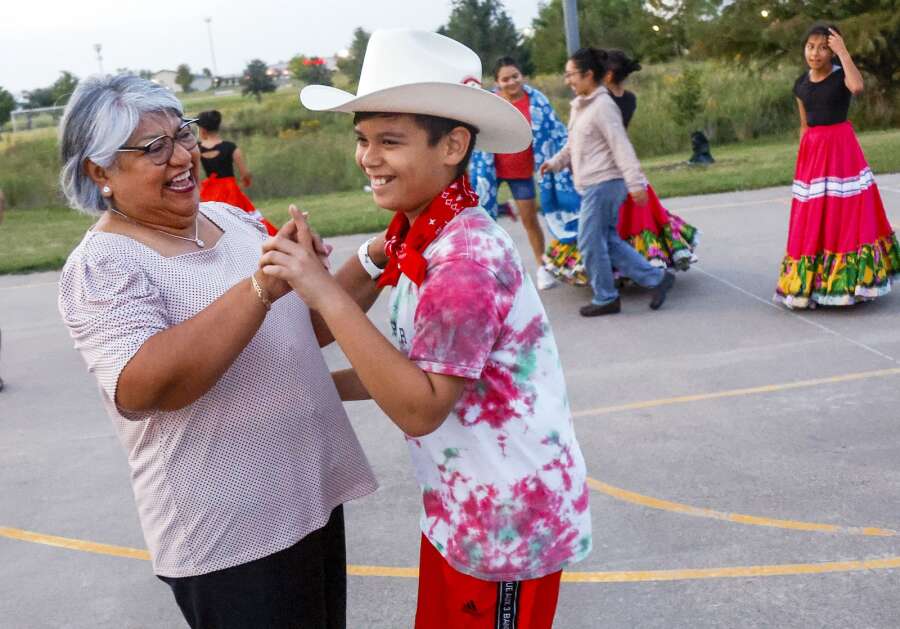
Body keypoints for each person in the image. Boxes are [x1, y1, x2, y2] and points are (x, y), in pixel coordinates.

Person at [265, 29, 592, 628]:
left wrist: (321, 288)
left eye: (390, 141)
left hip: (504, 527)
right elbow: (331, 337)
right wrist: (318, 364)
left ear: (453, 145)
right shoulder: (419, 234)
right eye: (362, 140)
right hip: (461, 508)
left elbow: (421, 407)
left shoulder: (464, 258)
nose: (368, 159)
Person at [56, 74, 379, 629]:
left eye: (180, 135)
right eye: (153, 148)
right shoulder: (101, 266)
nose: (182, 156)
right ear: (99, 172)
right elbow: (146, 386)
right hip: (231, 531)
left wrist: (376, 255)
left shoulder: (228, 220)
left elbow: (304, 328)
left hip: (308, 496)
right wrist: (259, 288)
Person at [542, 50, 700, 286]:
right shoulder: (584, 104)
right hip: (594, 179)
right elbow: (574, 142)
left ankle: (608, 294)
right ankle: (652, 280)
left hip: (605, 178)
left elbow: (621, 146)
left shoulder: (603, 105)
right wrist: (555, 163)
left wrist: (635, 183)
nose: (567, 80)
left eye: (571, 75)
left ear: (593, 75)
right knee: (606, 238)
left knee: (591, 239)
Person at [775, 23, 899, 308]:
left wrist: (843, 52)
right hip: (813, 155)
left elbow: (857, 87)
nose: (815, 53)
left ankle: (850, 281)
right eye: (810, 46)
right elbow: (804, 126)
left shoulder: (842, 75)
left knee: (844, 214)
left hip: (842, 152)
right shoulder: (800, 84)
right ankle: (811, 284)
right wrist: (803, 163)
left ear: (832, 51)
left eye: (823, 47)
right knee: (813, 216)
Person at [470, 56, 581, 291]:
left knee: (530, 220)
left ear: (522, 76)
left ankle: (542, 267)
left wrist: (568, 156)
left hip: (521, 171)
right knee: (482, 220)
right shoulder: (489, 102)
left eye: (515, 76)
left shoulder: (537, 101)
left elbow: (555, 131)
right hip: (489, 171)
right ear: (497, 82)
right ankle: (488, 272)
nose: (511, 82)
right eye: (505, 79)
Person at [196, 109, 278, 235]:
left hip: (209, 189)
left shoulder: (197, 148)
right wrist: (244, 183)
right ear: (217, 126)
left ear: (202, 129)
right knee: (246, 219)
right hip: (230, 189)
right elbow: (245, 173)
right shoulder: (230, 147)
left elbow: (194, 172)